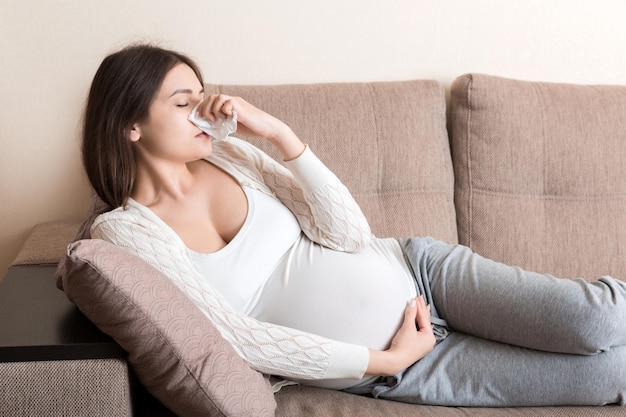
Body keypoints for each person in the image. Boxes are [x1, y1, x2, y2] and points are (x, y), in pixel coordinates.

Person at [82, 43, 626, 407]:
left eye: (203, 95)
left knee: (595, 321)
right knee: (604, 378)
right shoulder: (126, 232)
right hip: (397, 370)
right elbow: (235, 338)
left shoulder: (232, 158)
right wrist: (386, 359)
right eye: (184, 102)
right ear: (130, 123)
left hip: (421, 273)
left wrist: (276, 134)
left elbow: (349, 235)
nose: (204, 111)